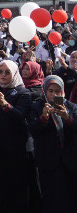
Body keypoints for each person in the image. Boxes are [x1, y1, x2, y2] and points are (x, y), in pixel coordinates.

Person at [0, 60, 38, 213]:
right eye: (0, 71)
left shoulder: (23, 93)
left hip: (17, 147)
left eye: (7, 72)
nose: (3, 75)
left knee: (16, 184)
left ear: (14, 74)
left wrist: (5, 104)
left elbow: (20, 117)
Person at [27, 75, 77, 213]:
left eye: (58, 91)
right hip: (48, 161)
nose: (54, 94)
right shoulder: (37, 107)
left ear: (63, 92)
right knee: (51, 196)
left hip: (70, 161)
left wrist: (68, 118)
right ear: (45, 91)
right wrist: (43, 117)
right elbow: (32, 129)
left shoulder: (72, 107)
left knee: (71, 195)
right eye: (51, 91)